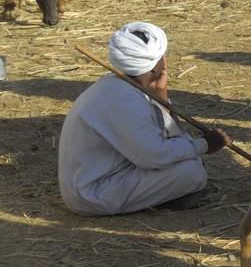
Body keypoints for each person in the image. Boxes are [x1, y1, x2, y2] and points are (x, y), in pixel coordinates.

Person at [58, 22, 229, 216]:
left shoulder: (122, 87)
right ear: (157, 64)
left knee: (188, 160)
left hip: (104, 178)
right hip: (94, 194)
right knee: (192, 173)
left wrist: (160, 93)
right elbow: (155, 156)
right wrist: (205, 145)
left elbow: (166, 137)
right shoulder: (124, 100)